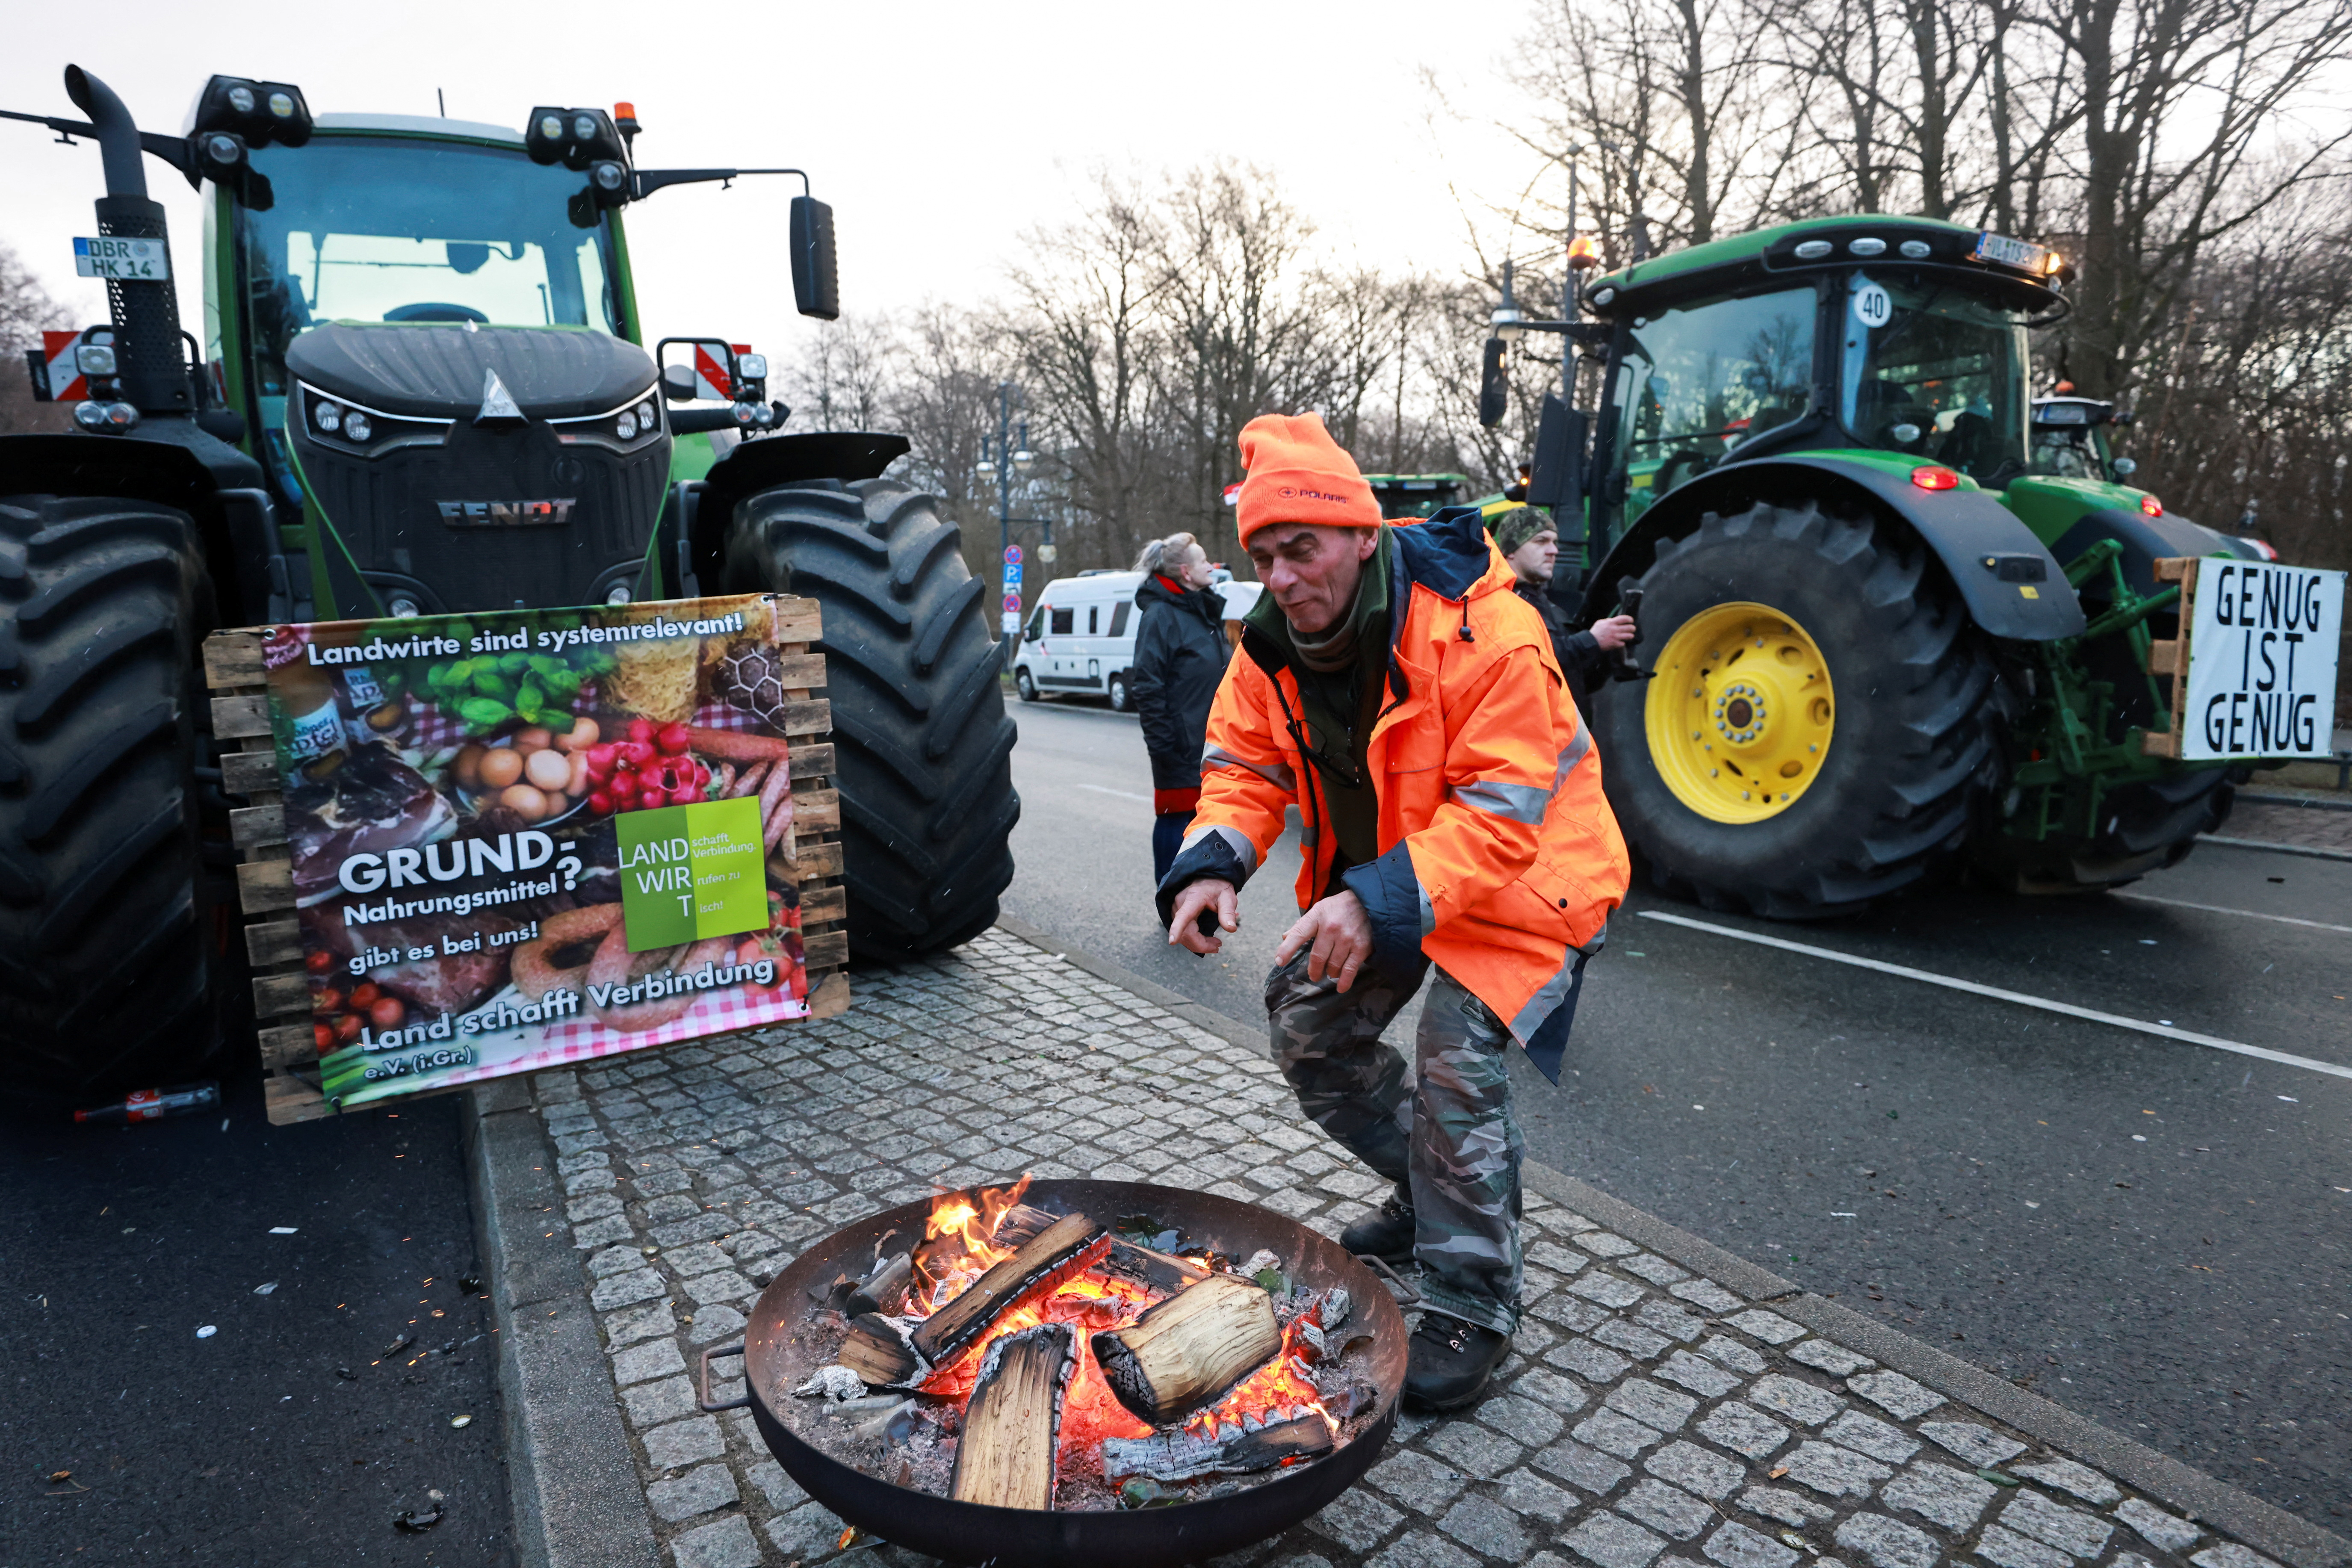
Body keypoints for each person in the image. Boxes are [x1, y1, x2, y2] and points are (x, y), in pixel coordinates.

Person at [1158, 413, 1629, 1410]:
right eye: (1264, 555)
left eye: (1302, 548)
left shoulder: (1487, 627)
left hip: (1528, 871)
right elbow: (1240, 766)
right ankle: (1432, 1192)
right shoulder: (1267, 645)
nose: (1282, 576)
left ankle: (1469, 1295)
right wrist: (1211, 863)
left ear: (1362, 535)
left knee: (1458, 1053)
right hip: (1395, 876)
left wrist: (1369, 898)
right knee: (1306, 1020)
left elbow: (1504, 811)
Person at [1128, 532, 1229, 882]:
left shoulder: (1201, 609)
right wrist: (1164, 745)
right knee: (1175, 817)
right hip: (1179, 744)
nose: (1210, 565)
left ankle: (1198, 895)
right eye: (1203, 561)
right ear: (1185, 572)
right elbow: (1147, 683)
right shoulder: (1160, 615)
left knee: (1206, 820)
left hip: (1211, 740)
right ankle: (1170, 896)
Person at [1489, 507, 1636, 724]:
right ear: (1511, 550)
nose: (1554, 551)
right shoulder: (1501, 602)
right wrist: (1592, 640)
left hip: (1564, 742)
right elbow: (1532, 662)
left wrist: (1613, 649)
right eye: (1541, 541)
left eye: (1555, 542)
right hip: (1534, 740)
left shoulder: (1550, 608)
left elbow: (1574, 677)